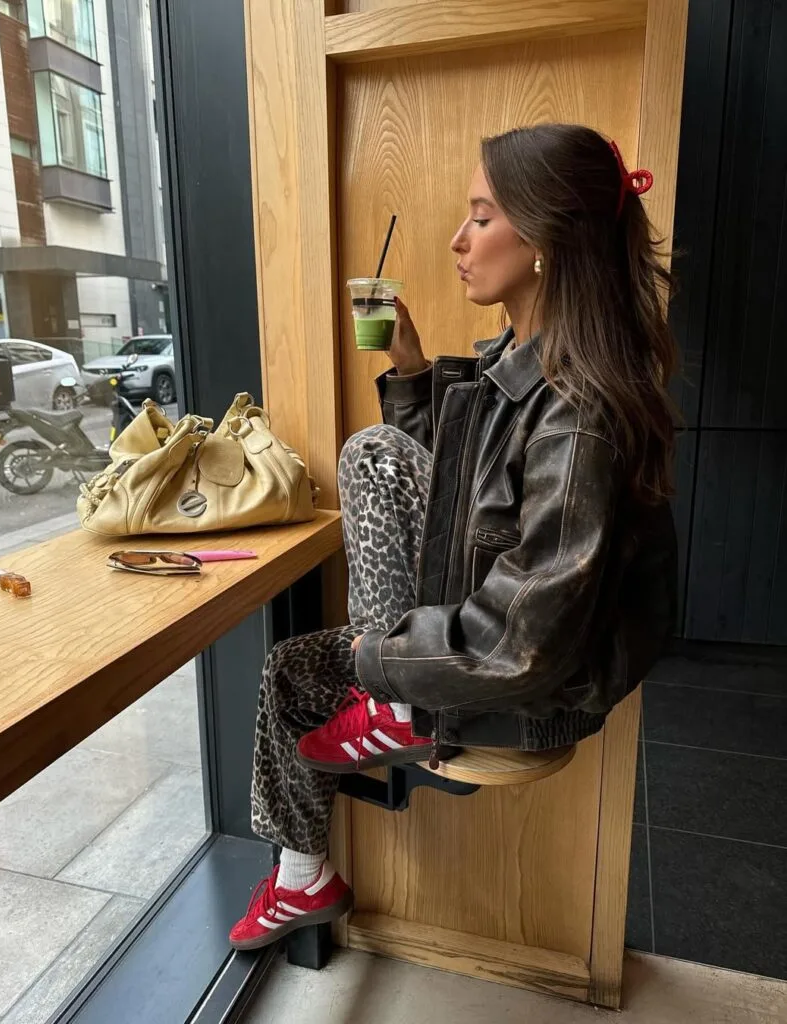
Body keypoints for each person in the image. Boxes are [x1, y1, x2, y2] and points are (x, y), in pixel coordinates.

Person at [229, 123, 679, 950]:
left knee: (366, 462)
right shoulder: (525, 361)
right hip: (488, 643)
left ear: (545, 237)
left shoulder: (577, 414)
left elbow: (522, 645)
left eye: (480, 215)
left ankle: (398, 702)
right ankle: (304, 877)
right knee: (289, 670)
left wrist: (380, 657)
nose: (456, 239)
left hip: (524, 686)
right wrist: (407, 373)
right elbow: (465, 497)